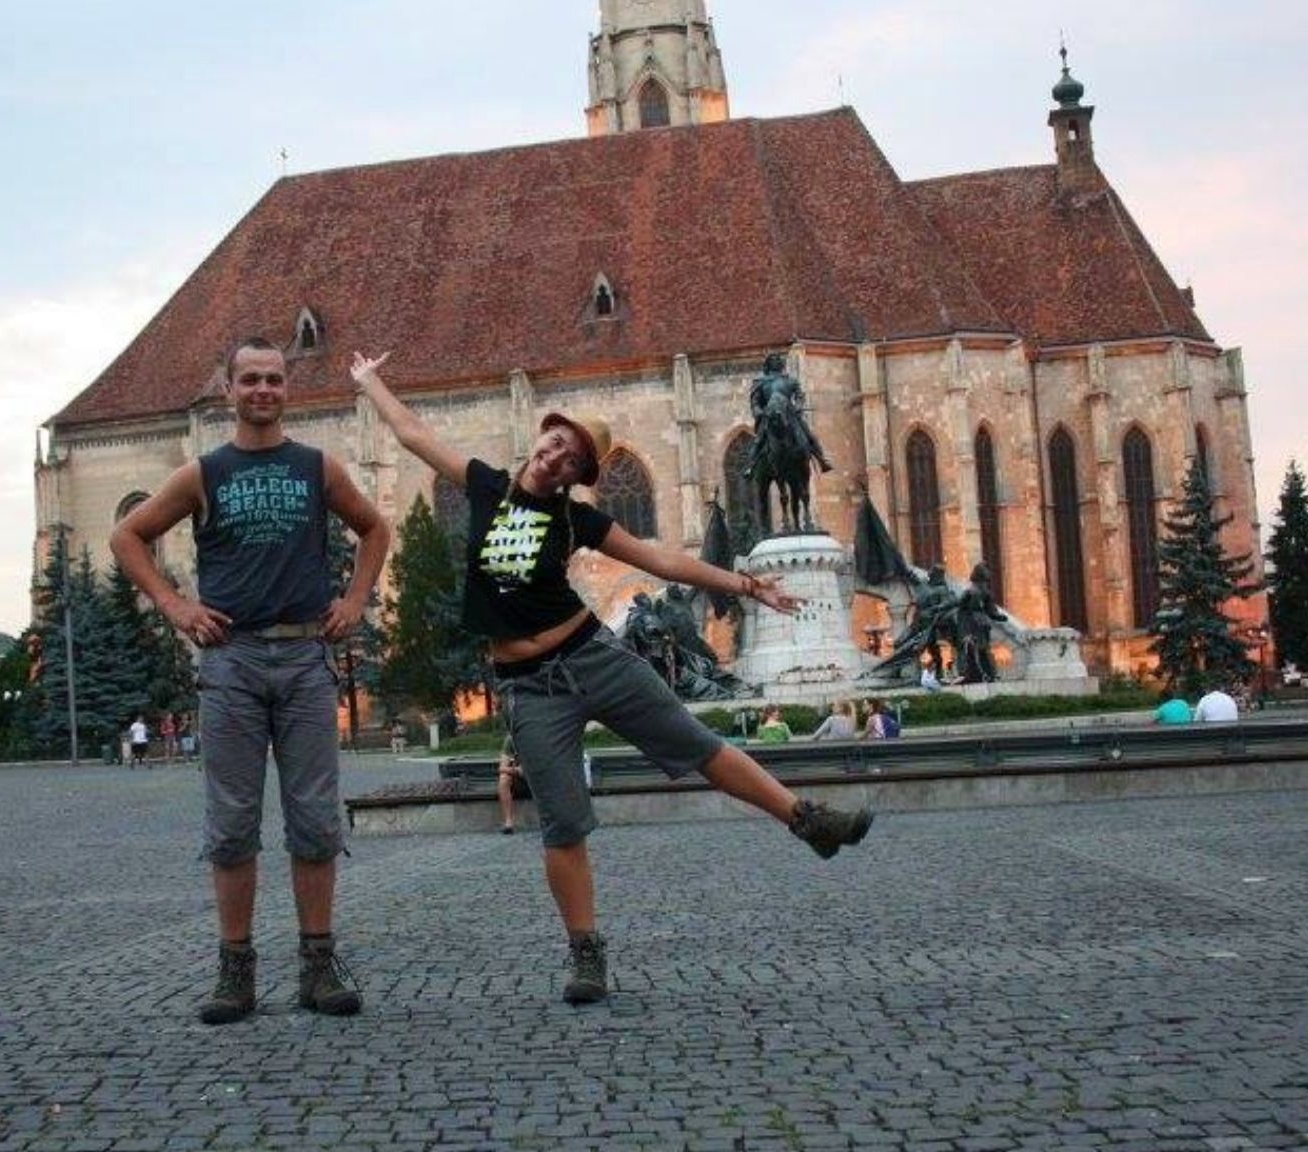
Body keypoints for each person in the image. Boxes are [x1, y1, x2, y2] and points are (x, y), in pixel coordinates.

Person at [353, 350, 871, 1006]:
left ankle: (807, 820)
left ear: (576, 476)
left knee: (697, 745)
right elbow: (414, 435)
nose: (556, 457)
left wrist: (743, 584)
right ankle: (586, 951)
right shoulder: (485, 485)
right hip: (529, 685)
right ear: (540, 437)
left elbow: (661, 559)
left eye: (571, 459)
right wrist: (369, 382)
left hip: (593, 657)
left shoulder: (576, 520)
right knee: (563, 823)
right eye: (555, 442)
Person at [111, 334, 392, 1025]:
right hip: (231, 661)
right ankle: (235, 972)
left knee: (315, 820)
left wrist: (355, 601)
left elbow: (375, 529)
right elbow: (126, 537)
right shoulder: (203, 473)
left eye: (274, 379)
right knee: (232, 823)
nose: (263, 390)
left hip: (304, 661)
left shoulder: (315, 467)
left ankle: (318, 968)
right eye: (251, 380)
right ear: (231, 390)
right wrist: (175, 605)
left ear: (285, 390)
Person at [495, 736, 528, 834]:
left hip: (540, 775)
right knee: (504, 779)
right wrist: (517, 770)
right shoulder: (511, 739)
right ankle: (508, 822)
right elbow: (502, 768)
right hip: (520, 776)